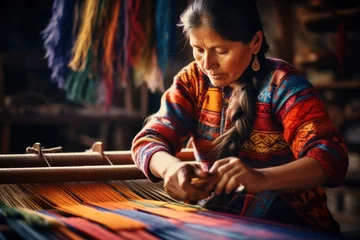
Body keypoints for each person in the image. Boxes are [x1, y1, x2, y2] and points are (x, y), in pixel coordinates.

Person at [131, 0, 348, 234]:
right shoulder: (192, 81)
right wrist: (170, 169)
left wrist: (261, 179)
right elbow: (149, 139)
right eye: (199, 49)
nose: (207, 64)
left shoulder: (284, 86)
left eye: (221, 51)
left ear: (255, 42)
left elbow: (331, 157)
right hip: (219, 223)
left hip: (292, 226)